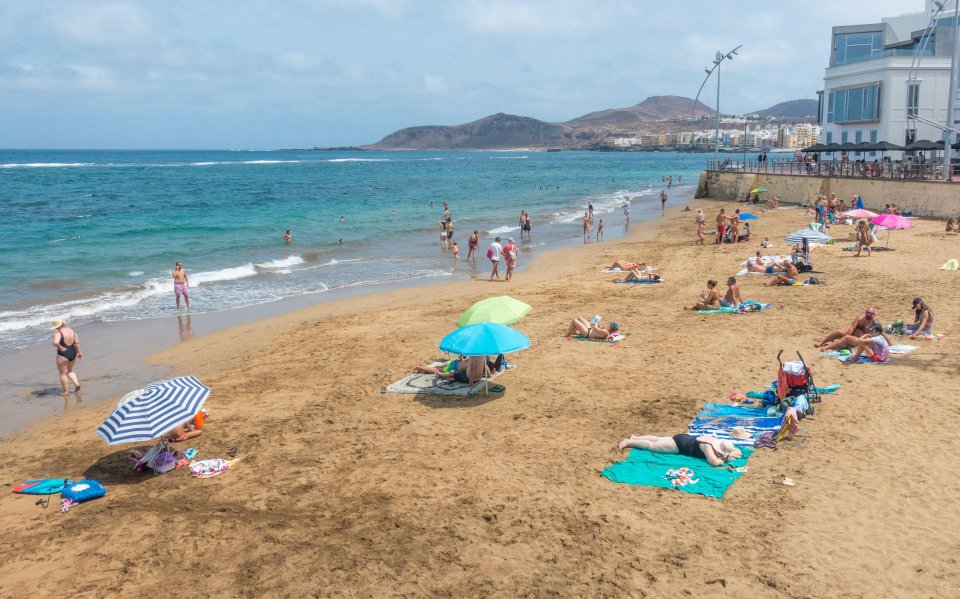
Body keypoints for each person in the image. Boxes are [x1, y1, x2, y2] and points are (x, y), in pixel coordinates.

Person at [616, 434, 741, 467]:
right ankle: (629, 442)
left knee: (656, 439)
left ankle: (636, 437)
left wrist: (729, 454)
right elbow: (713, 462)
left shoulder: (716, 442)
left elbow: (738, 452)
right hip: (679, 445)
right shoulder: (708, 446)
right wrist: (724, 459)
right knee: (652, 446)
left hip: (684, 438)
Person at [815, 307, 880, 350]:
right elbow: (852, 328)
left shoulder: (875, 323)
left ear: (874, 314)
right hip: (852, 335)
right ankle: (822, 342)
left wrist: (889, 345)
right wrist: (847, 334)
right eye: (867, 313)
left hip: (859, 340)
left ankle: (828, 347)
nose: (868, 315)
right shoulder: (860, 318)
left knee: (846, 338)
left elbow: (879, 335)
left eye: (870, 314)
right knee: (838, 332)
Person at [51, 320, 81, 396]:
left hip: (63, 354)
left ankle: (66, 391)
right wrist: (79, 352)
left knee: (63, 373)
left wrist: (60, 347)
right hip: (73, 352)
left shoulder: (58, 333)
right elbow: (77, 343)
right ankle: (76, 383)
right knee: (70, 370)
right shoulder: (72, 331)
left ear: (57, 326)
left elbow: (55, 342)